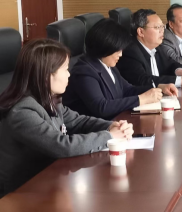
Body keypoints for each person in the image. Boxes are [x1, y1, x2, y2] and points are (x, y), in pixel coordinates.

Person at [0, 39, 134, 198]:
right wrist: (109, 136)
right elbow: (61, 146)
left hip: (48, 181)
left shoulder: (50, 100)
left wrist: (111, 126)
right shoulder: (23, 111)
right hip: (21, 194)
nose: (69, 74)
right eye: (65, 69)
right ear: (46, 75)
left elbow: (78, 121)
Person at [64, 19, 180, 120]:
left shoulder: (108, 64)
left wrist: (159, 88)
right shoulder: (84, 72)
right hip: (94, 131)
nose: (120, 54)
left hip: (116, 123)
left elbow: (128, 90)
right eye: (118, 50)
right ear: (106, 46)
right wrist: (141, 99)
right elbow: (101, 107)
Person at [117, 9, 182, 88]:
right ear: (141, 32)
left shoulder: (156, 46)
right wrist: (181, 81)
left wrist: (180, 71)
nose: (162, 31)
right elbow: (143, 80)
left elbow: (170, 63)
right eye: (157, 27)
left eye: (162, 26)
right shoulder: (129, 52)